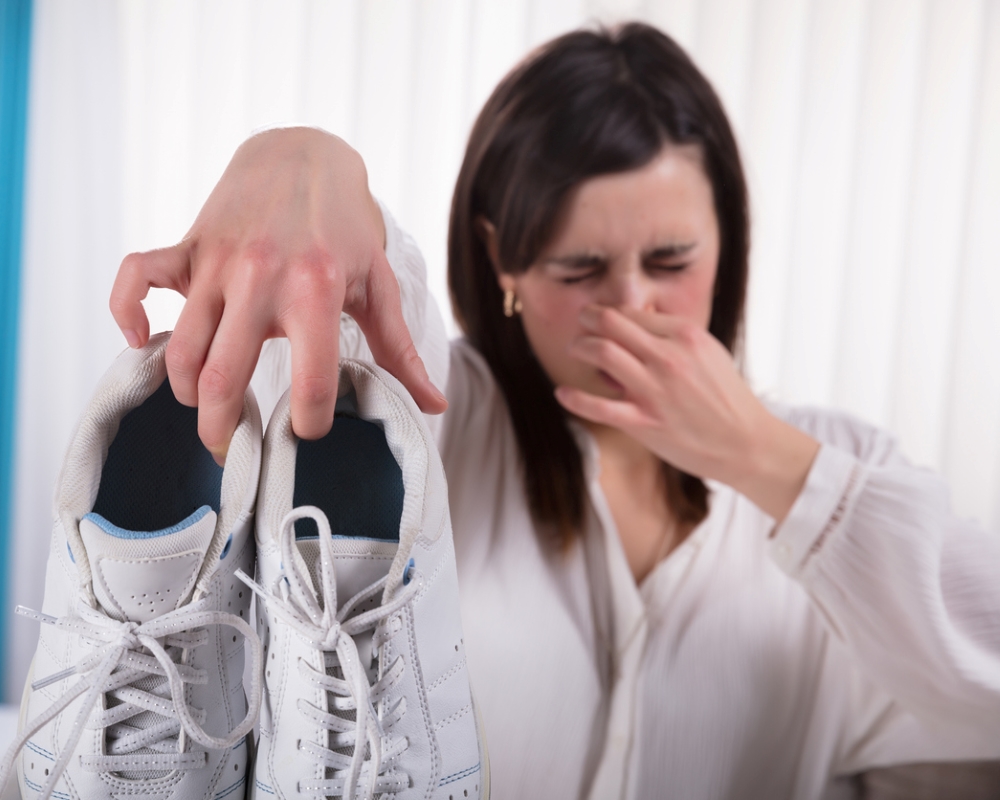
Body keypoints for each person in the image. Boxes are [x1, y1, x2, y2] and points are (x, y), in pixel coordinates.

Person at [107, 23, 1000, 800]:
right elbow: (355, 287)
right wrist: (299, 157)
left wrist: (771, 463)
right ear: (504, 262)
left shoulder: (838, 465)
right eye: (580, 271)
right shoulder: (438, 418)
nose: (631, 307)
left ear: (728, 239)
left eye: (673, 259)